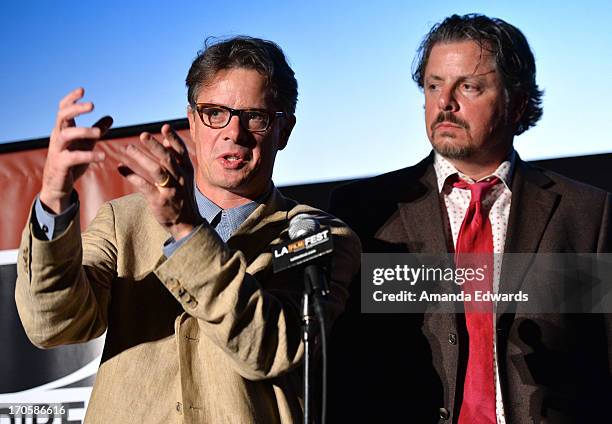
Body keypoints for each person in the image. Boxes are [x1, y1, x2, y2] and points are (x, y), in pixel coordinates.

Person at [15, 36, 360, 423]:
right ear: (192, 121)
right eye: (215, 113)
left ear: (285, 128)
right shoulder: (122, 221)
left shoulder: (316, 234)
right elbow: (51, 324)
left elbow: (273, 348)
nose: (234, 132)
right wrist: (54, 198)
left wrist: (185, 228)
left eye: (256, 116)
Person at [328, 14, 611, 423]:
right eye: (433, 85)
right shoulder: (365, 211)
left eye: (469, 87)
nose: (445, 103)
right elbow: (346, 368)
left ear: (518, 103)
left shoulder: (586, 215)